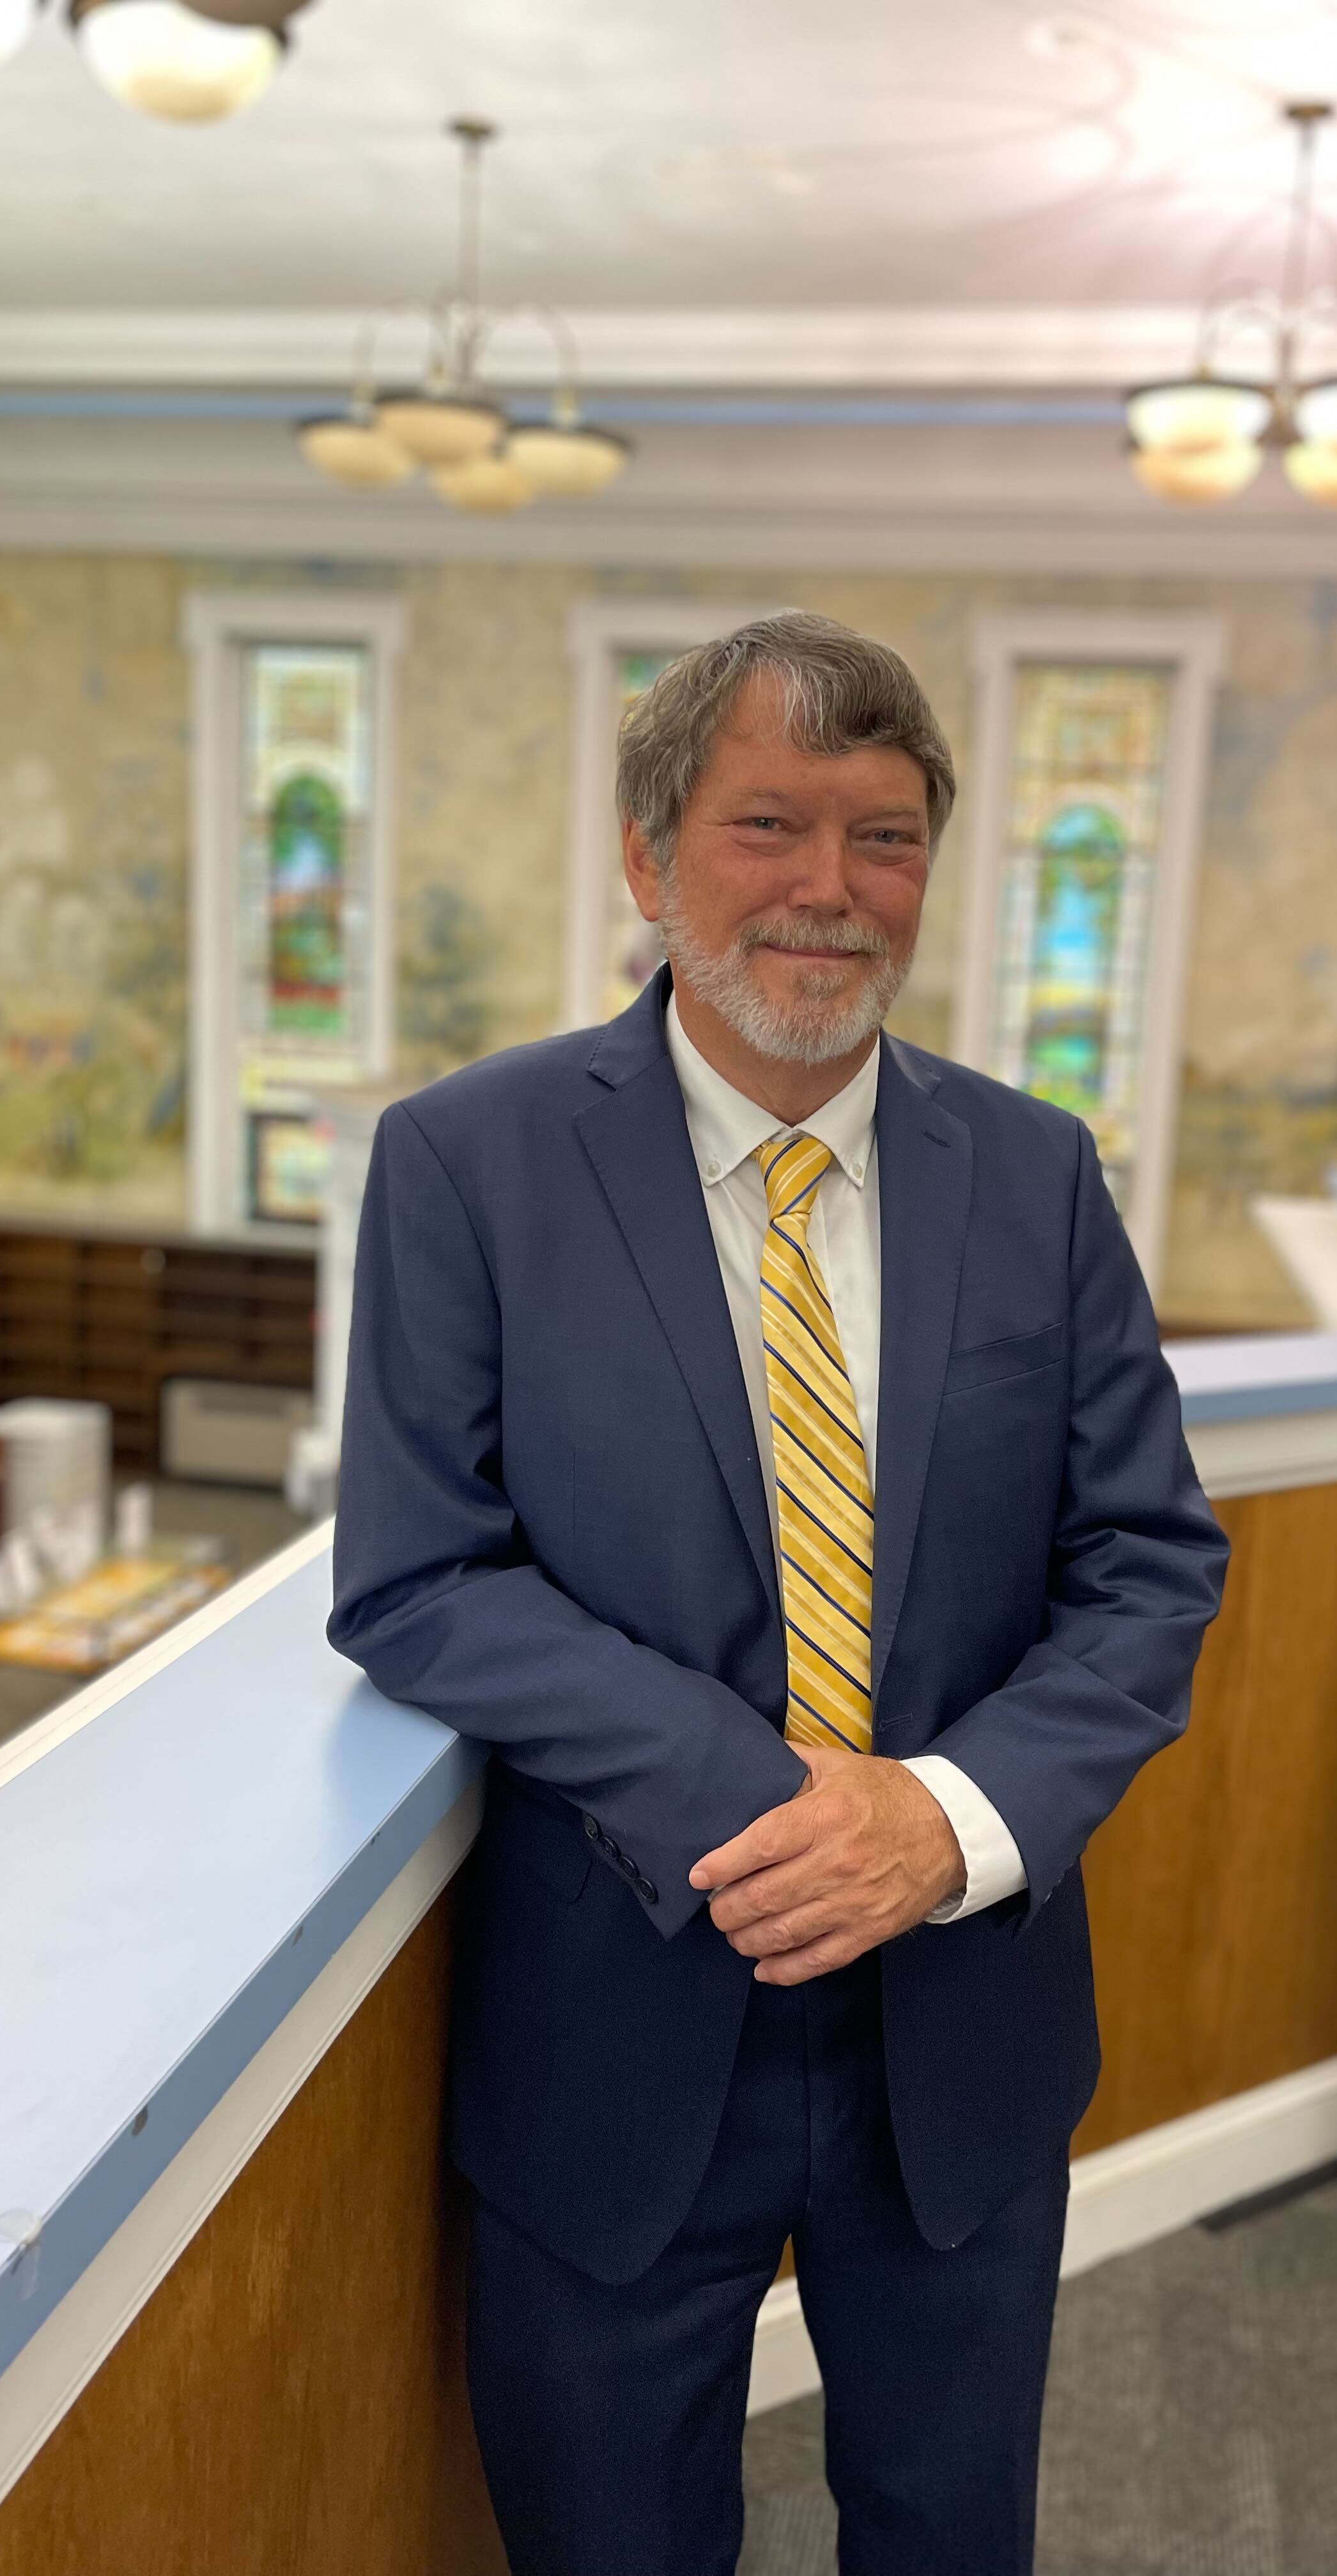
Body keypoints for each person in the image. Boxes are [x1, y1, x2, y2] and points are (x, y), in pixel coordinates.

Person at [328, 611, 1228, 2576]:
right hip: (620, 2026)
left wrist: (941, 1824)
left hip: (963, 2023)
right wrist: (772, 1800)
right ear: (649, 862)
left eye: (884, 836)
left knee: (945, 2533)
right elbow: (418, 1578)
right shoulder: (465, 1165)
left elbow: (1147, 1557)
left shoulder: (1038, 1172)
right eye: (768, 827)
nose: (830, 889)